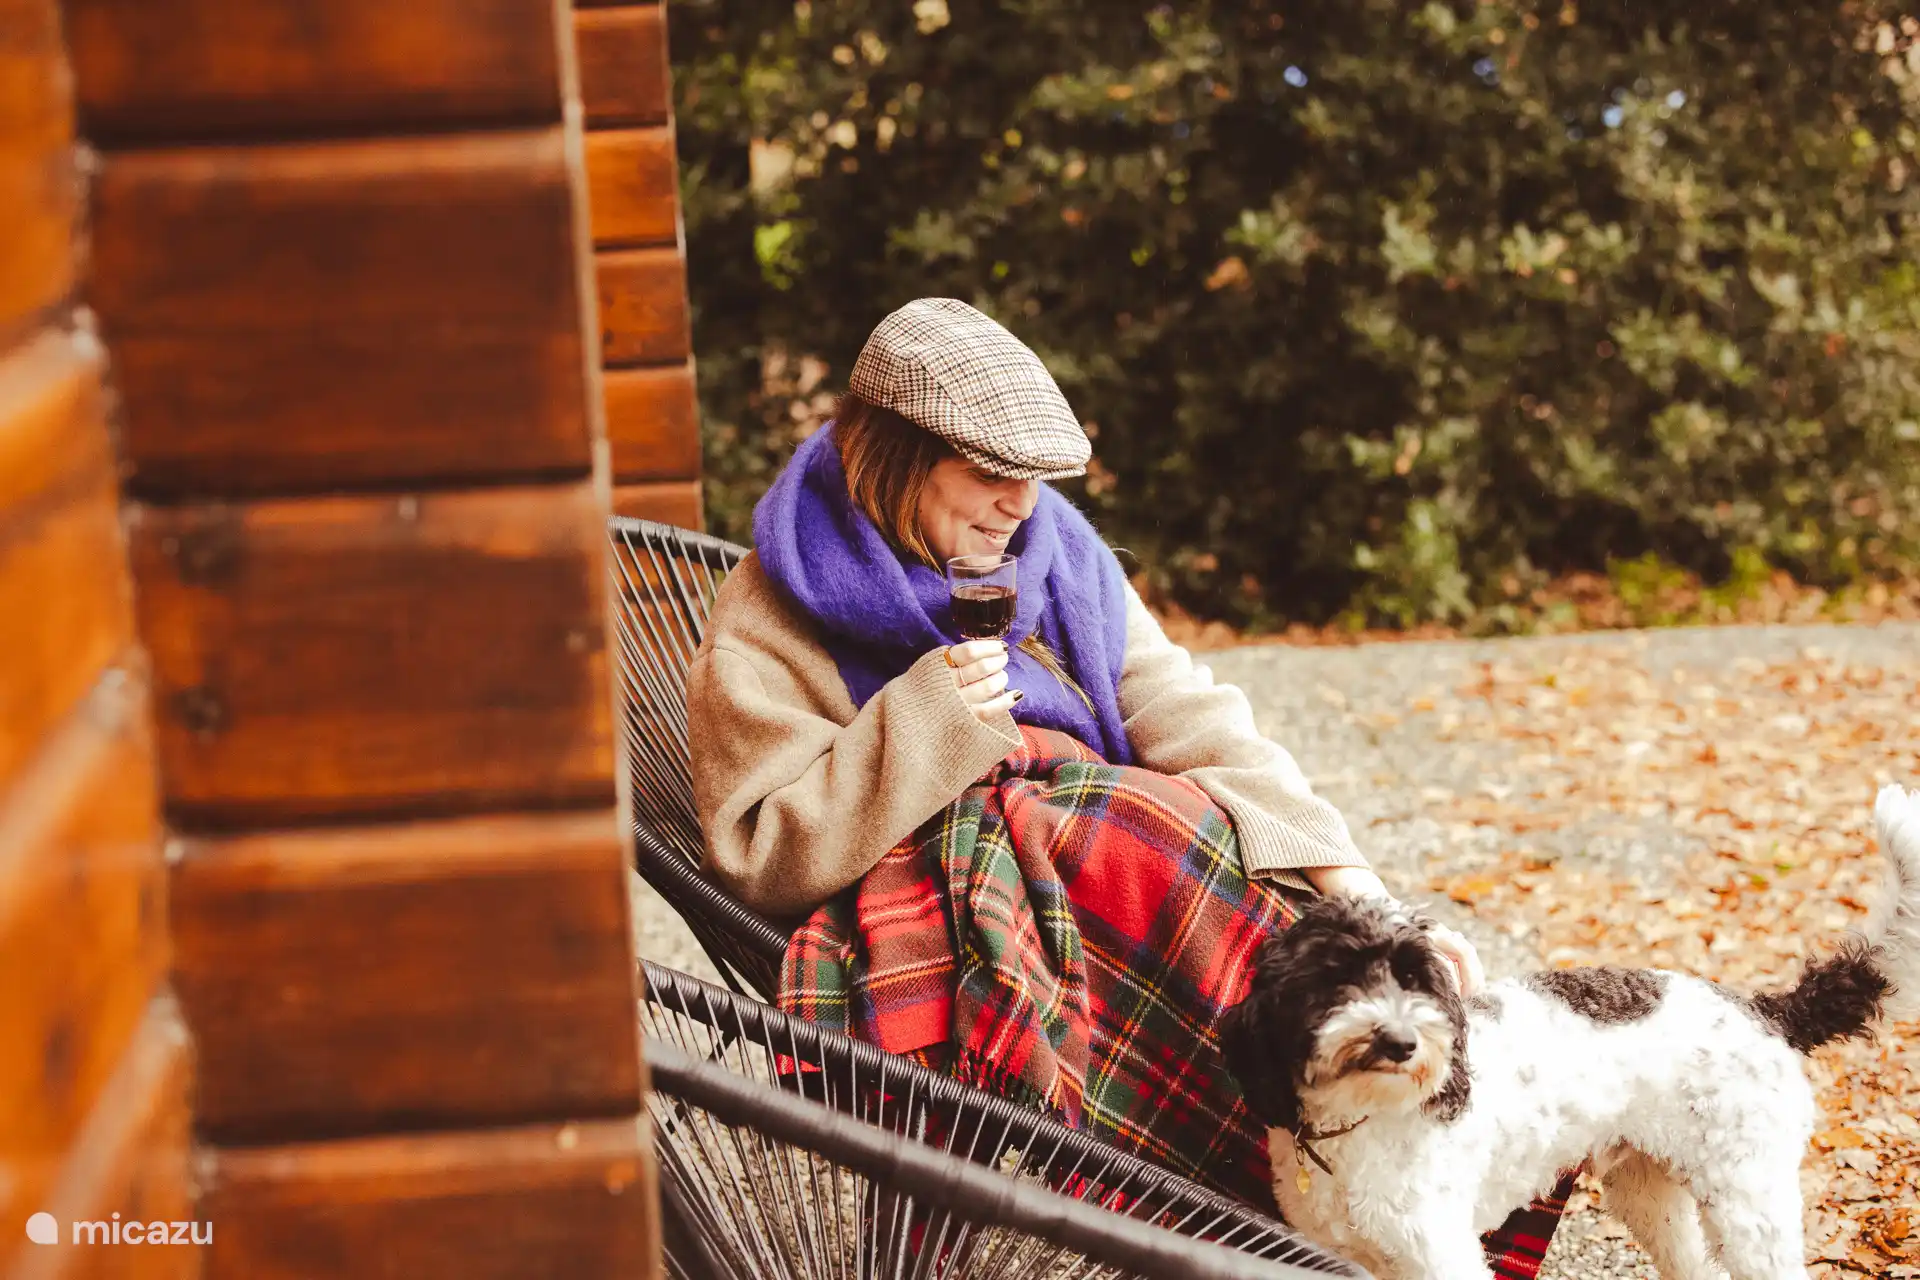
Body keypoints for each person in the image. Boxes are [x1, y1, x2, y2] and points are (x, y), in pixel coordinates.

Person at [688, 298, 1565, 1269]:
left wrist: (1359, 893)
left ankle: (1414, 1140)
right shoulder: (773, 608)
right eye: (989, 474)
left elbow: (1186, 713)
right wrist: (926, 720)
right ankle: (1307, 1199)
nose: (1020, 505)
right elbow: (758, 849)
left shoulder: (1053, 552)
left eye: (1036, 479)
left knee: (1177, 835)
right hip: (938, 901)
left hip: (1119, 865)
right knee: (1116, 830)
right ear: (890, 456)